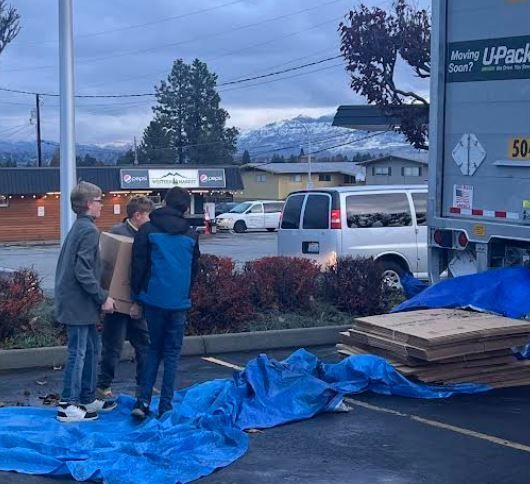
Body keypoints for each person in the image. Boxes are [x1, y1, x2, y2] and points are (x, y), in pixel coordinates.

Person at [130, 187, 200, 420]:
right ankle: (166, 406)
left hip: (153, 299)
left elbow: (138, 267)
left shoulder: (147, 230)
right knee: (172, 353)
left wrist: (135, 298)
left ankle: (143, 402)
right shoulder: (191, 234)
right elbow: (194, 269)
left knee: (153, 350)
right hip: (179, 301)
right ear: (186, 208)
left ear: (163, 203)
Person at [55, 181, 116, 423]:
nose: (102, 205)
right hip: (78, 304)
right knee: (78, 353)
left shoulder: (81, 226)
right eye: (100, 201)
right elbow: (83, 272)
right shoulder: (89, 231)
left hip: (79, 302)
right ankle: (67, 404)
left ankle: (87, 397)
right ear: (90, 204)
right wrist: (103, 297)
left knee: (91, 349)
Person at [96, 195, 155, 401]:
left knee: (144, 344)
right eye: (149, 215)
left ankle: (144, 386)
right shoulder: (117, 234)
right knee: (113, 346)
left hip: (138, 301)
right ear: (137, 215)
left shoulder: (148, 234)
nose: (151, 220)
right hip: (117, 303)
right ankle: (103, 386)